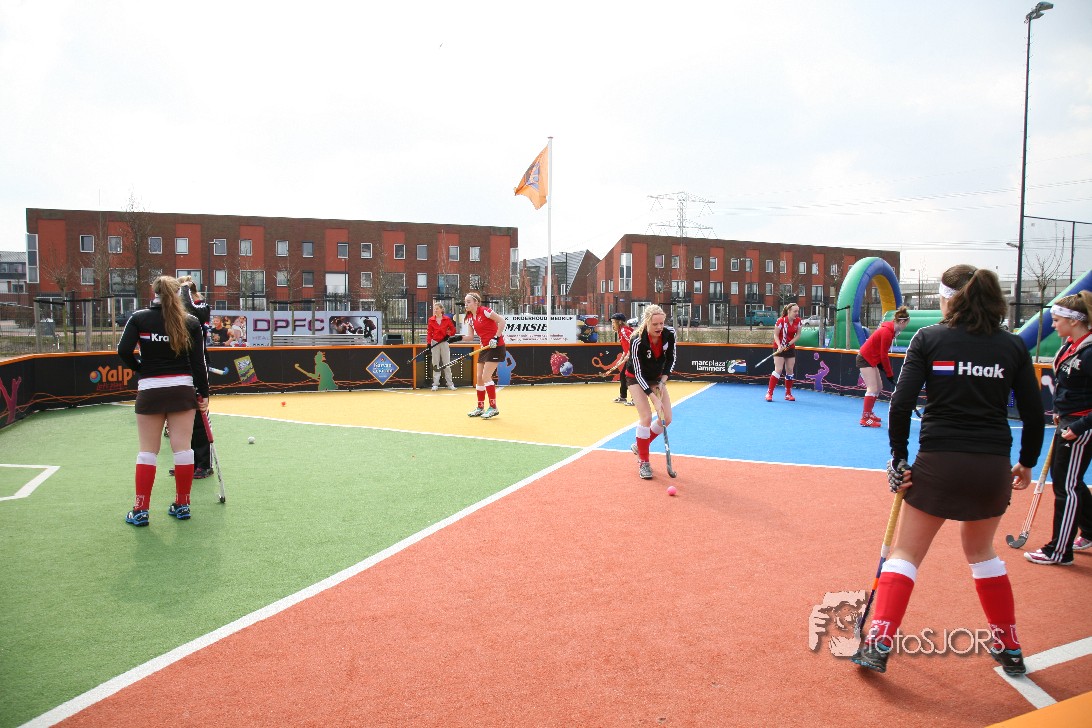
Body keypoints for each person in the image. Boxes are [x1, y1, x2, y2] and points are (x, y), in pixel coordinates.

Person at [851, 265, 1044, 677]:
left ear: (946, 299)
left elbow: (901, 404)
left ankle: (879, 641)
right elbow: (1034, 414)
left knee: (906, 552)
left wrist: (898, 458)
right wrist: (1027, 461)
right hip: (991, 468)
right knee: (982, 553)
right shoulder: (1012, 346)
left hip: (939, 462)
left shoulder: (929, 338)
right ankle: (1009, 646)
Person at [117, 276, 210, 526]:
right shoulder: (190, 321)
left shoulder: (139, 318)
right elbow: (199, 362)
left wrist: (141, 368)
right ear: (178, 293)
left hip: (150, 390)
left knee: (148, 451)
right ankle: (182, 504)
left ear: (154, 292)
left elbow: (123, 351)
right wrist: (203, 393)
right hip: (183, 391)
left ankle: (140, 509)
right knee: (183, 449)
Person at [1024, 292, 1092, 566]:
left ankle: (1059, 550)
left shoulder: (1089, 352)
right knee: (1070, 480)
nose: (1053, 325)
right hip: (1068, 420)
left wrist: (1079, 425)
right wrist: (1059, 412)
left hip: (1080, 425)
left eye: (1057, 320)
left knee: (1067, 486)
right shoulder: (1070, 347)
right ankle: (1090, 530)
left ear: (1074, 320)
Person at [625, 305, 676, 479]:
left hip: (656, 377)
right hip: (635, 377)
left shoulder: (669, 334)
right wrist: (653, 397)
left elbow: (671, 359)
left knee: (666, 418)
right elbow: (638, 373)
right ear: (647, 322)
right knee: (646, 417)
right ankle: (644, 462)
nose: (659, 327)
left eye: (662, 323)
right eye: (655, 324)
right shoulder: (637, 340)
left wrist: (663, 380)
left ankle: (640, 445)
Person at [176, 276, 213, 479]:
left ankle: (204, 464)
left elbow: (189, 307)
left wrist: (184, 288)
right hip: (180, 367)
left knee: (199, 418)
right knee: (181, 418)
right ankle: (187, 462)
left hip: (197, 366)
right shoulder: (176, 311)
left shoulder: (202, 307)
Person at [856, 307, 912, 427]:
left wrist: (884, 368)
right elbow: (884, 355)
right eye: (906, 324)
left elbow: (880, 352)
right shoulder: (887, 332)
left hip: (871, 359)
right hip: (865, 359)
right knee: (872, 388)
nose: (905, 326)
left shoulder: (891, 331)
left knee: (879, 387)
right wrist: (889, 374)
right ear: (902, 322)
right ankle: (865, 418)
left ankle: (870, 413)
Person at [463, 292, 507, 419]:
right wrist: (454, 338)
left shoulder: (485, 311)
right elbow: (470, 337)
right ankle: (480, 407)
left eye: (468, 302)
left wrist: (496, 337)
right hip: (484, 348)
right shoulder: (470, 318)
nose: (466, 304)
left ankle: (493, 407)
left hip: (496, 347)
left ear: (476, 302)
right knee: (479, 378)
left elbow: (502, 321)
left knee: (486, 376)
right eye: (465, 302)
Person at [766, 303, 802, 402]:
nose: (797, 313)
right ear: (789, 311)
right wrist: (779, 346)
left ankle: (788, 394)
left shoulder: (798, 321)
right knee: (778, 369)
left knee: (790, 370)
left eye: (797, 311)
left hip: (790, 347)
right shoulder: (780, 321)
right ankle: (769, 393)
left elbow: (798, 335)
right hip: (779, 347)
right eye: (795, 311)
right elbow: (776, 335)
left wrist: (789, 344)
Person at [605, 313, 634, 405]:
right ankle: (623, 397)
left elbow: (634, 344)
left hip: (635, 357)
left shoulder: (625, 330)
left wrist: (628, 356)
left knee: (632, 378)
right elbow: (626, 348)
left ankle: (635, 399)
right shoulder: (620, 331)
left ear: (620, 322)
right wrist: (621, 359)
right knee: (623, 376)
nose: (612, 324)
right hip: (631, 356)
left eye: (614, 322)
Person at [427, 302, 458, 391]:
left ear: (441, 309)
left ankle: (450, 384)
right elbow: (429, 332)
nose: (435, 310)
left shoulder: (447, 319)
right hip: (435, 343)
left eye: (437, 308)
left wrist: (448, 335)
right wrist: (429, 343)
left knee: (446, 363)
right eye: (434, 309)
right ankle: (435, 384)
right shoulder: (431, 320)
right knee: (435, 363)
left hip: (444, 342)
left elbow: (453, 330)